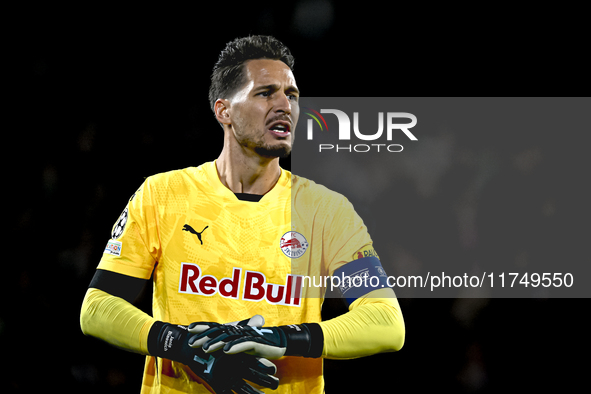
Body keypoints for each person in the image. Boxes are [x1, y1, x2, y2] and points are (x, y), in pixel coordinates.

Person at [80, 35, 405, 394]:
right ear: (224, 111)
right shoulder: (164, 195)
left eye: (292, 95)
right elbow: (97, 307)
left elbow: (386, 323)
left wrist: (282, 338)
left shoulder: (327, 211)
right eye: (265, 93)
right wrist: (183, 346)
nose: (285, 105)